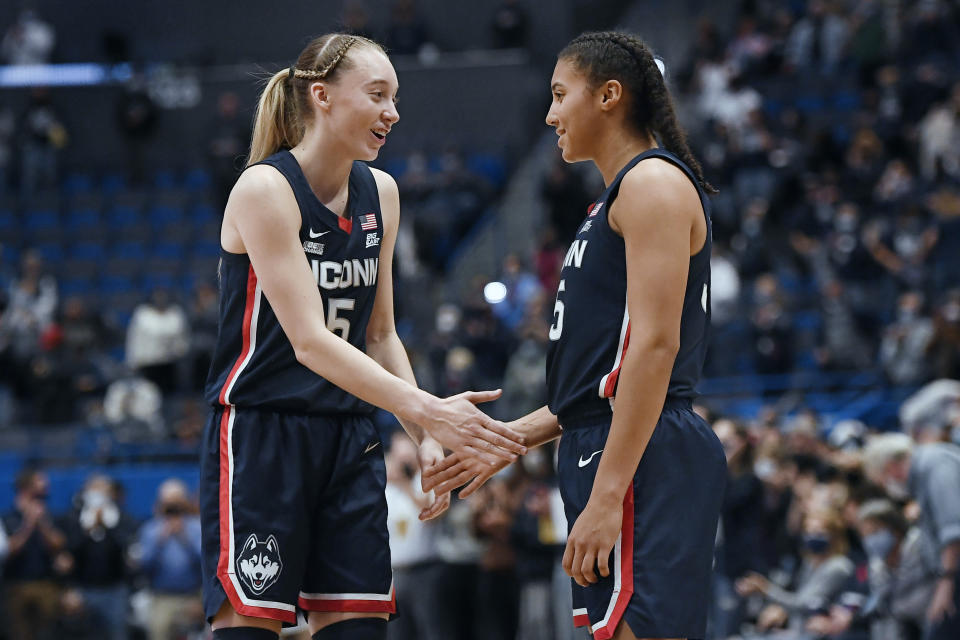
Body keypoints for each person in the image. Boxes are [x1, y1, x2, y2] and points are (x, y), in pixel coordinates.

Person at [198, 32, 525, 640]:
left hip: (351, 436)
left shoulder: (384, 194)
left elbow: (380, 334)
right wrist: (428, 408)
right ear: (321, 96)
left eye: (395, 97)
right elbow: (310, 341)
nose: (393, 113)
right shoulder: (265, 189)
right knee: (249, 627)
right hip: (265, 429)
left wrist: (424, 435)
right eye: (377, 95)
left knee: (358, 629)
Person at [425, 30, 727, 640]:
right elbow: (599, 378)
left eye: (561, 94)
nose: (550, 113)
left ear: (609, 95)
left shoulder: (651, 184)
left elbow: (654, 349)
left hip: (642, 455)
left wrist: (609, 494)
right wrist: (510, 438)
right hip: (609, 444)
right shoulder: (611, 201)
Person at [862, 433, 960, 640]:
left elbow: (954, 532)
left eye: (882, 481)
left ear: (891, 467)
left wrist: (946, 582)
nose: (887, 487)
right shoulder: (927, 471)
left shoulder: (935, 466)